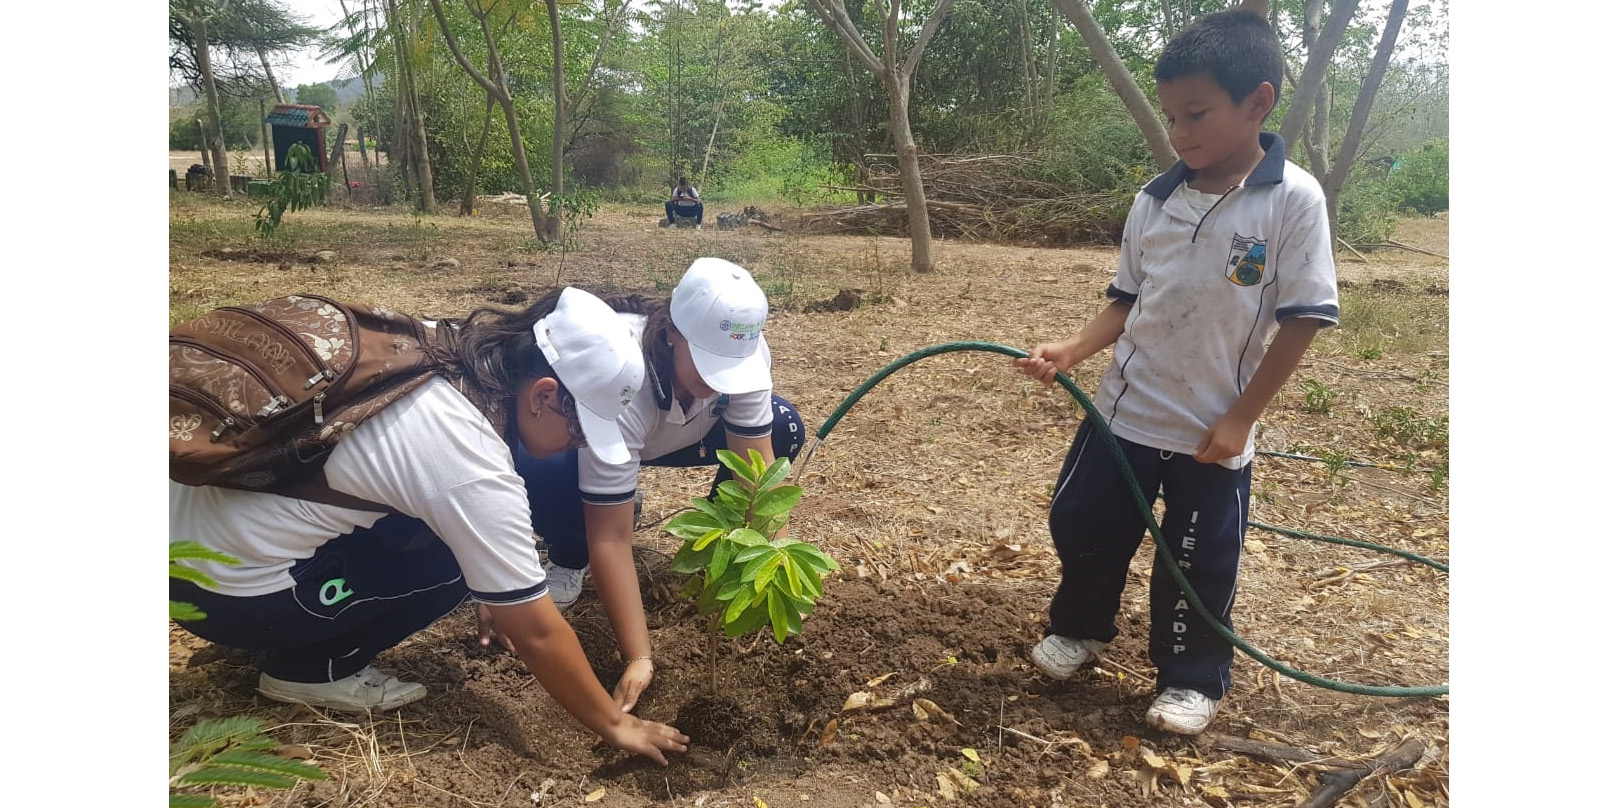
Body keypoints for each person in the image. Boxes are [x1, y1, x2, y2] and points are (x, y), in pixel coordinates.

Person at [170, 287, 690, 765]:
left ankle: (281, 608)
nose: (580, 446)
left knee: (461, 549)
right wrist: (617, 725)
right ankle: (311, 670)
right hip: (222, 591)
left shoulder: (440, 351)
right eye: (581, 430)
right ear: (542, 395)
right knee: (452, 569)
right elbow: (535, 632)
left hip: (181, 543)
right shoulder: (468, 456)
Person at [1013, 9, 1338, 736]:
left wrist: (1241, 417)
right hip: (1123, 413)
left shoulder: (1291, 200)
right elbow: (1125, 301)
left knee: (1196, 558)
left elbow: (1304, 317)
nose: (1178, 133)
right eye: (1169, 117)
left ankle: (1191, 677)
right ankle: (1082, 628)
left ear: (1257, 102)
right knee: (1082, 523)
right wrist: (1072, 349)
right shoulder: (1153, 200)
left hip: (1209, 430)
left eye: (1195, 113)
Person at [512, 258, 805, 713]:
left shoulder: (744, 352)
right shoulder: (623, 375)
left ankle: (723, 551)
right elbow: (610, 538)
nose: (715, 383)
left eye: (726, 371)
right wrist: (639, 656)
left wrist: (779, 565)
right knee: (544, 463)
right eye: (706, 366)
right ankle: (571, 555)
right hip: (603, 432)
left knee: (784, 424)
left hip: (680, 436)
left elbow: (759, 470)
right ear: (672, 332)